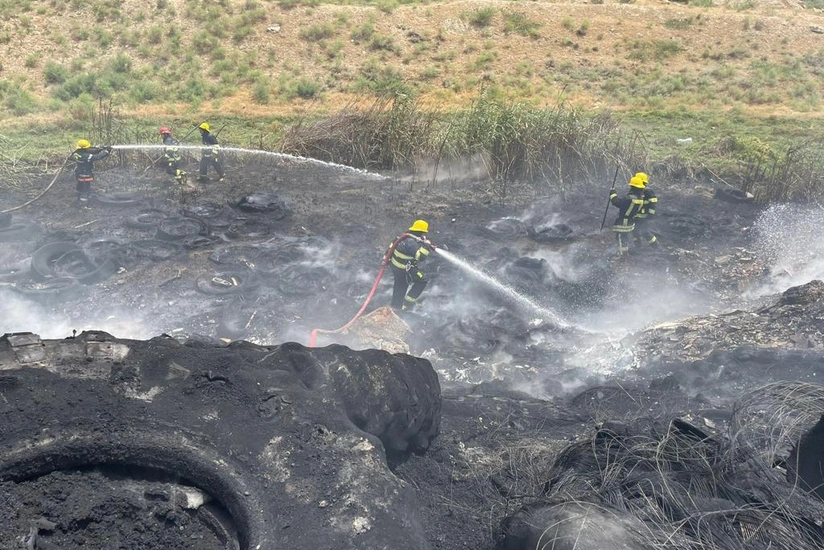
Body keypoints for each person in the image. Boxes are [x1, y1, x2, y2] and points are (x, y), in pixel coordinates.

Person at [390, 219, 435, 311]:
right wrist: (426, 246)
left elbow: (390, 249)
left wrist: (425, 244)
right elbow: (421, 257)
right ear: (420, 232)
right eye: (424, 233)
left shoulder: (404, 237)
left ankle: (395, 307)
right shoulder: (411, 243)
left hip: (396, 267)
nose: (424, 235)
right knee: (422, 280)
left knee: (400, 286)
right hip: (404, 269)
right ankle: (408, 303)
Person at [609, 176, 645, 256]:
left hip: (623, 222)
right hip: (630, 222)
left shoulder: (629, 199)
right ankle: (625, 253)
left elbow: (616, 202)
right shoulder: (640, 199)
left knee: (621, 238)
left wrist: (612, 193)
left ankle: (622, 256)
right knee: (624, 237)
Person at [632, 172, 659, 247]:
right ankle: (638, 247)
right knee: (635, 232)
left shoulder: (648, 191)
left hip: (645, 216)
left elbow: (653, 203)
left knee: (645, 232)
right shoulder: (636, 190)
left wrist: (650, 215)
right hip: (636, 216)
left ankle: (656, 246)